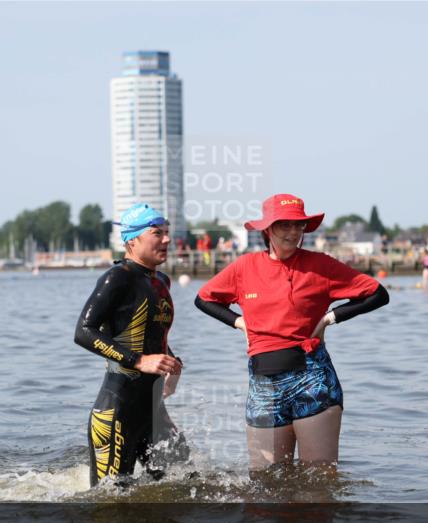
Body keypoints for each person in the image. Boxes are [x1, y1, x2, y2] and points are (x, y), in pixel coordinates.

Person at [194, 194, 389, 472]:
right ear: (268, 229)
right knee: (264, 485)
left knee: (317, 481)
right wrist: (240, 323)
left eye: (299, 225)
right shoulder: (244, 267)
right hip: (263, 384)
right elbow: (204, 299)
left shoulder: (321, 265)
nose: (293, 232)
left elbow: (377, 294)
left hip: (312, 379)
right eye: (284, 225)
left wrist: (328, 319)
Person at [73, 203, 186, 486]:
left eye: (167, 232)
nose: (167, 239)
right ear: (132, 240)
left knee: (181, 484)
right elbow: (83, 332)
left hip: (153, 410)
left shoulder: (161, 280)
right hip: (117, 411)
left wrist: (171, 362)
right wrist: (138, 361)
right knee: (111, 505)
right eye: (157, 233)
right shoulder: (117, 277)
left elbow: (152, 333)